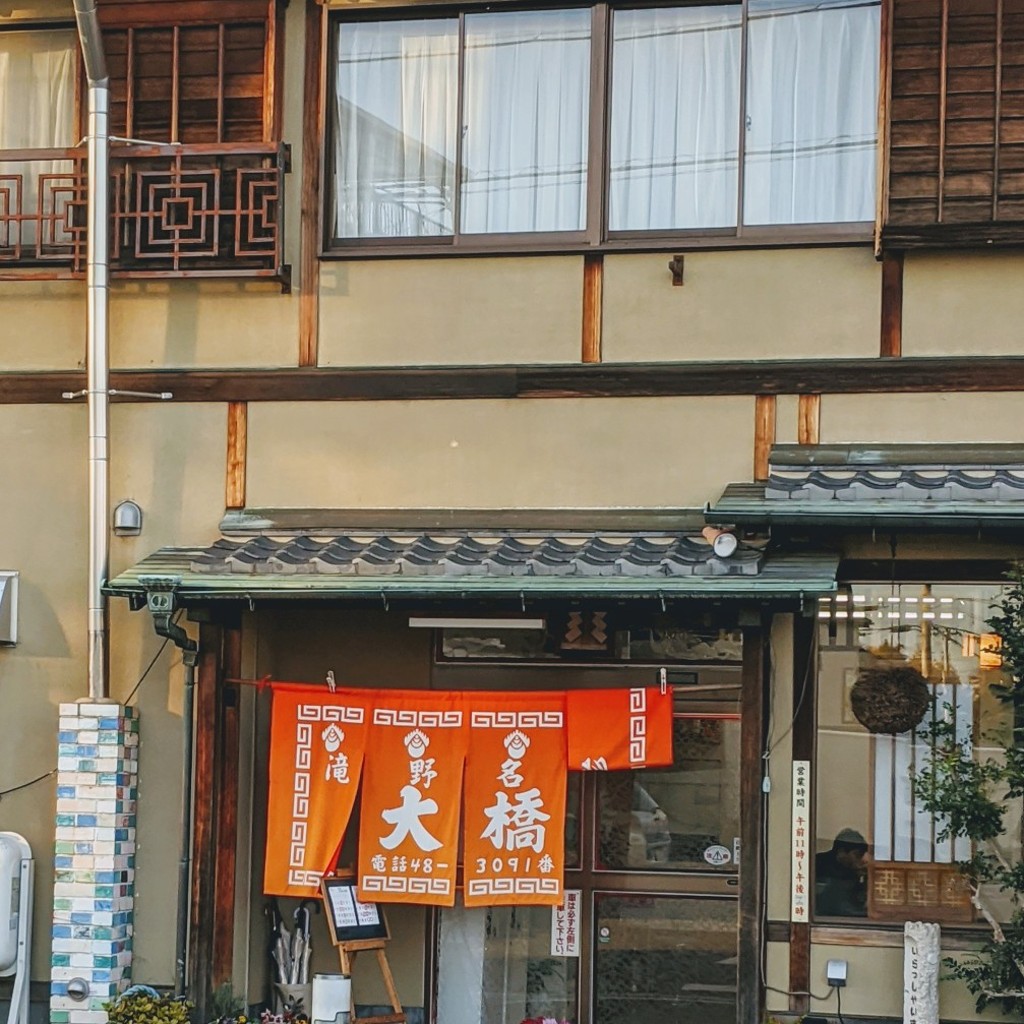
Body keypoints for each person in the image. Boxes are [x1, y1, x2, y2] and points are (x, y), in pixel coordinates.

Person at [815, 828, 870, 917]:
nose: (863, 860)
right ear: (841, 852)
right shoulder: (818, 865)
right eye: (858, 855)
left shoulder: (853, 870)